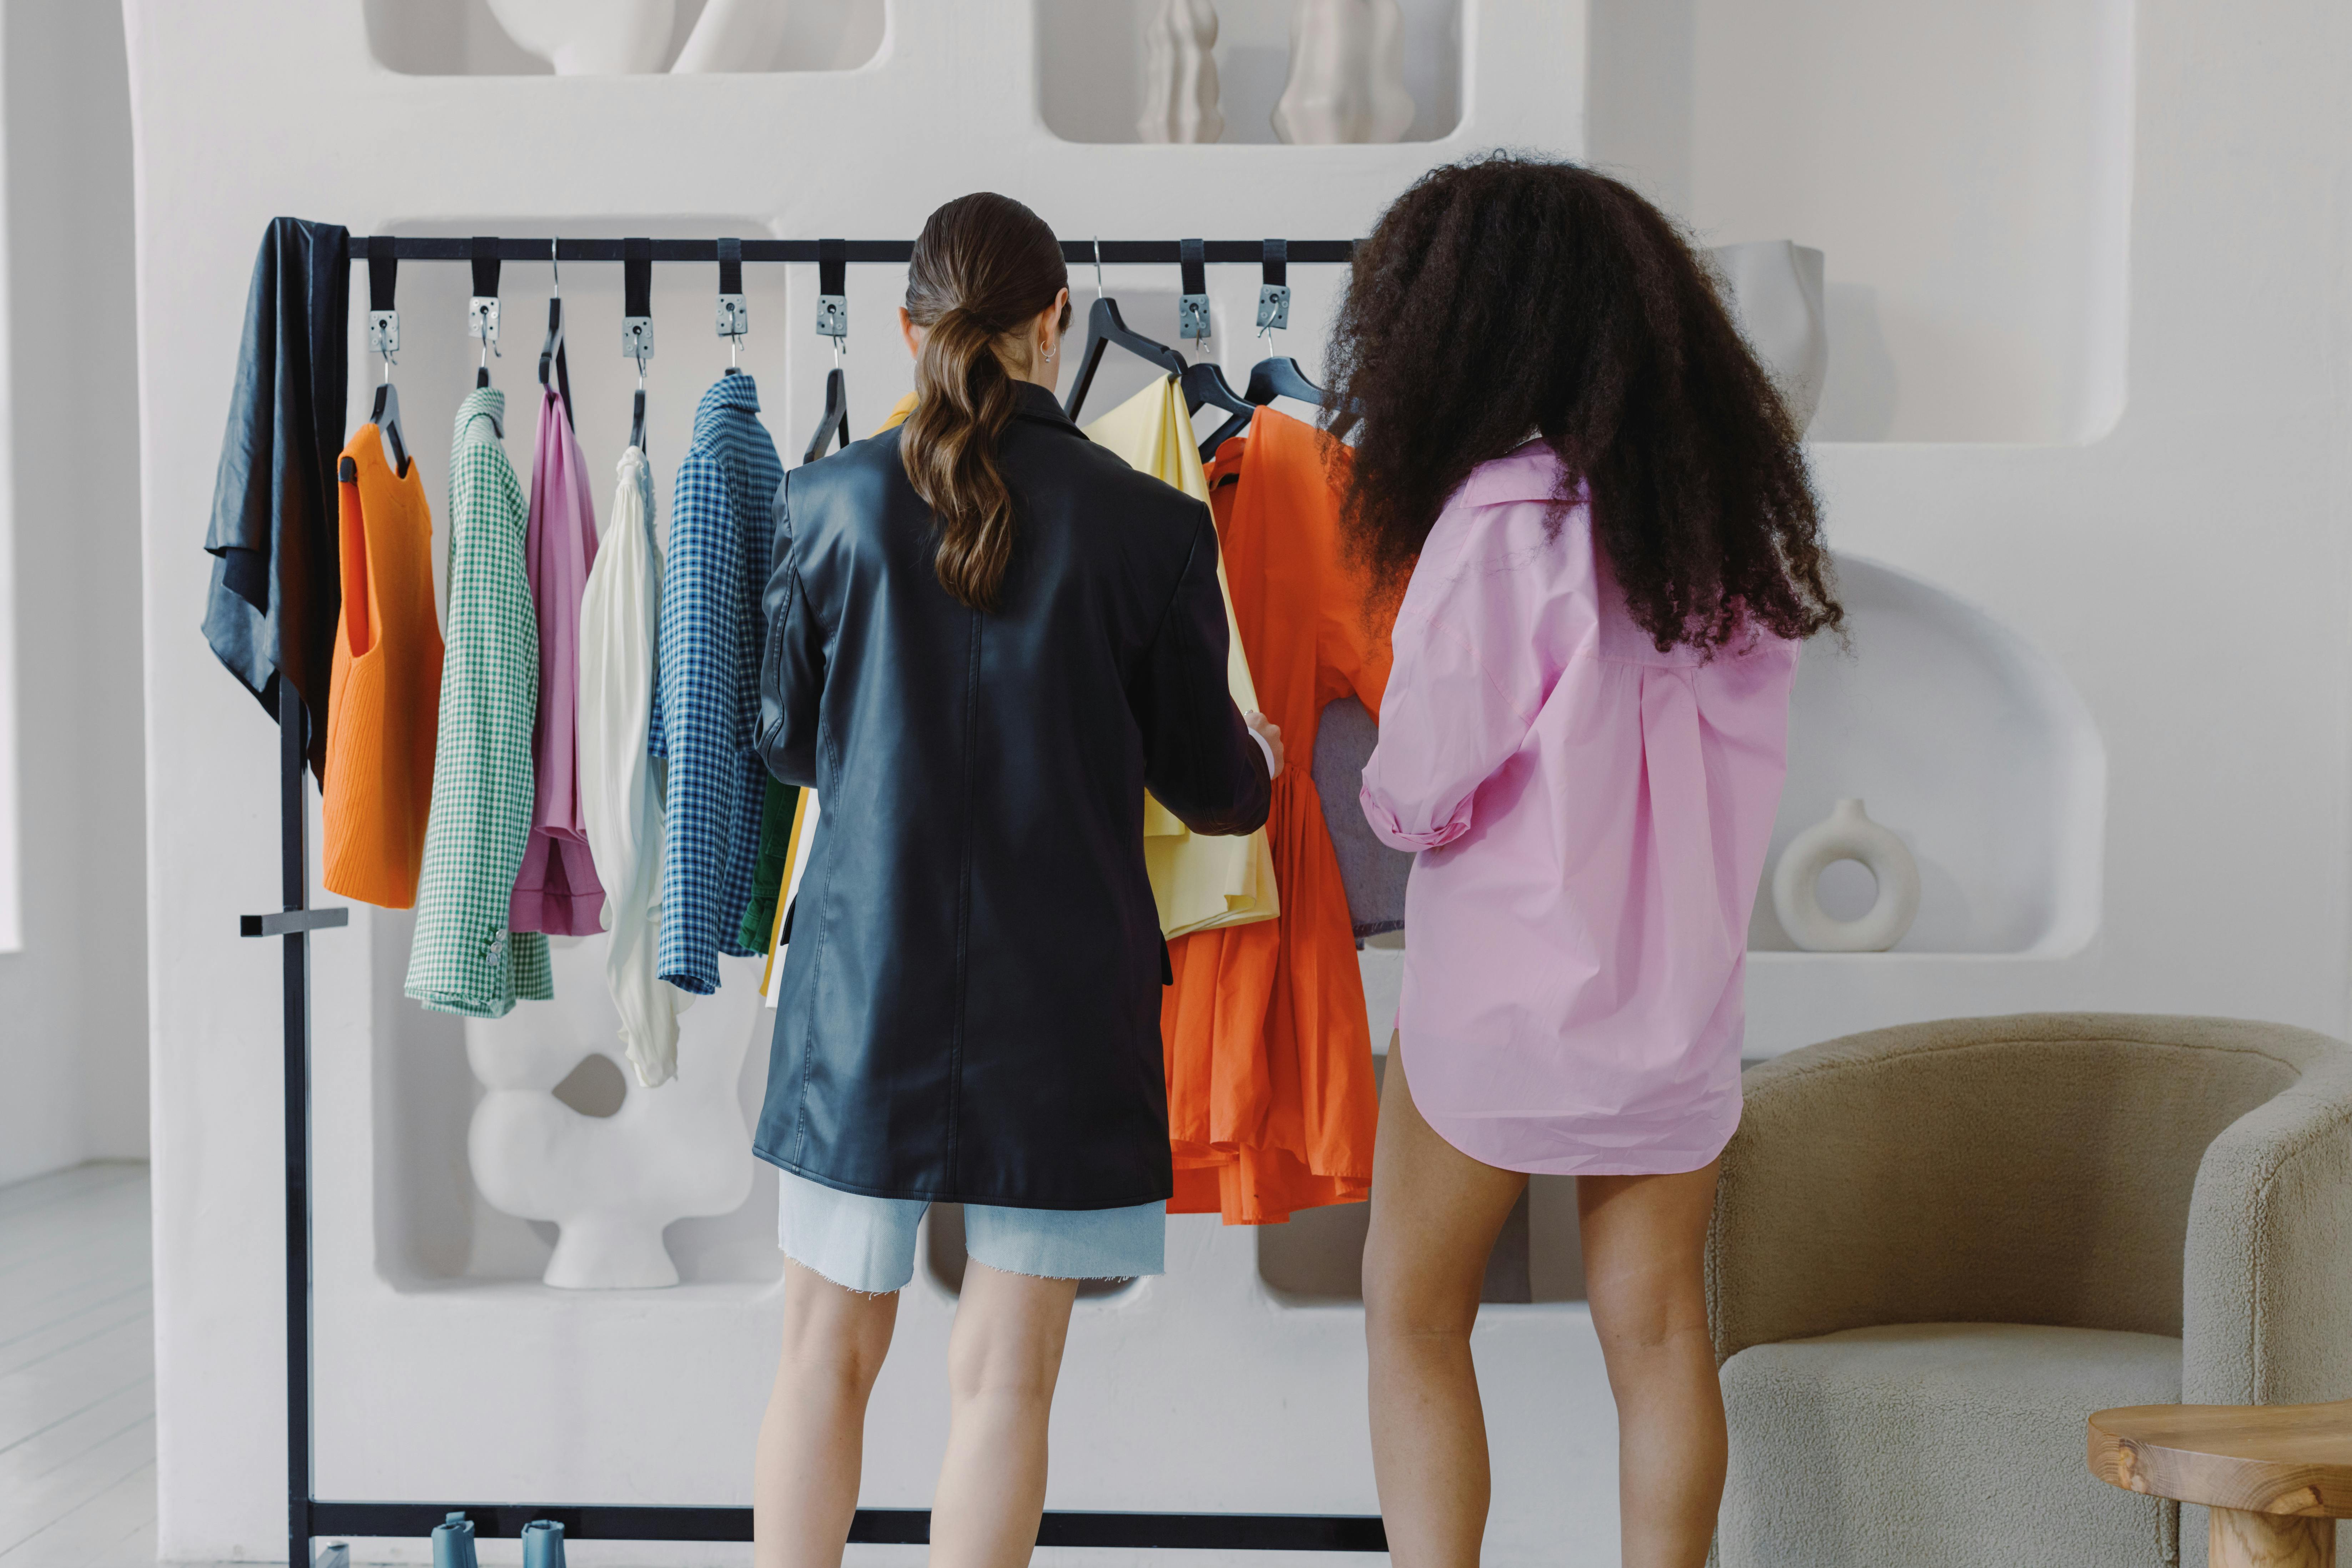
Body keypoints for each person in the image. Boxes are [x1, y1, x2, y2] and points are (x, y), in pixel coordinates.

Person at [748, 192, 1284, 1568]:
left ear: (910, 326)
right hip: (1068, 1004)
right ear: (1057, 323)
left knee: (822, 1352)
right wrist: (1266, 756)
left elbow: (789, 744)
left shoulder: (826, 504)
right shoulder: (1155, 525)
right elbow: (1213, 788)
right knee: (1007, 1378)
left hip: (863, 995)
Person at [1342, 155, 1844, 1568]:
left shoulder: (1502, 523)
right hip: (1674, 999)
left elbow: (1425, 778)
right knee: (1661, 1327)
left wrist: (1390, 816)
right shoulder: (1725, 533)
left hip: (1498, 1000)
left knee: (1414, 1306)